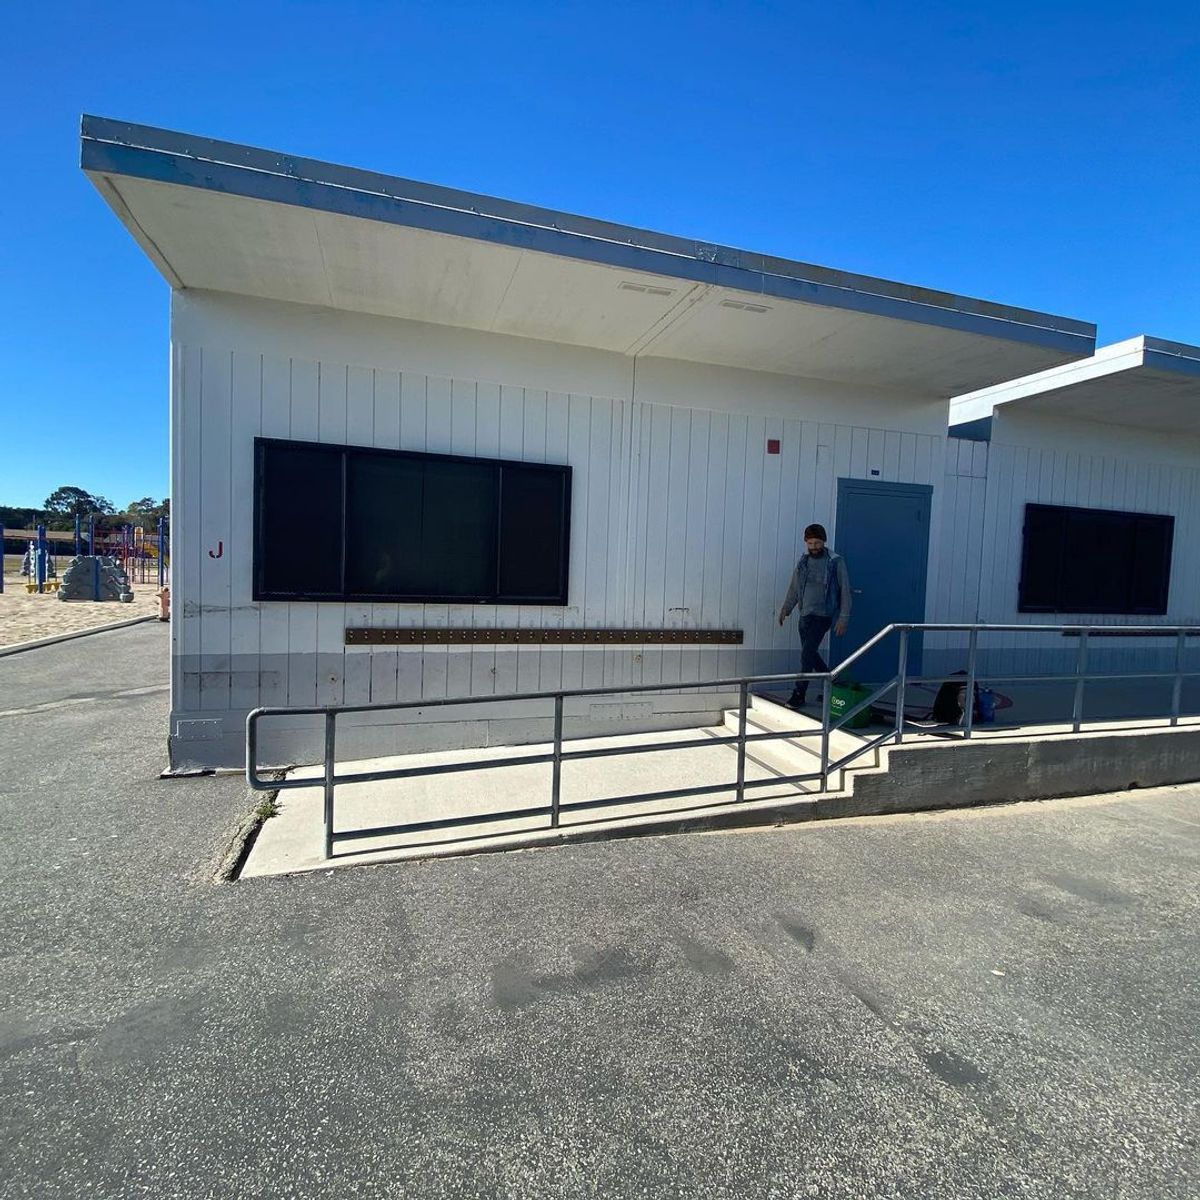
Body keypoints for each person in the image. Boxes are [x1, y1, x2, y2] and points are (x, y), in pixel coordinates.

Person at [777, 523, 851, 709]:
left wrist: (843, 618)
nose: (814, 547)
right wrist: (786, 608)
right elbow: (795, 587)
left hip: (823, 615)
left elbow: (845, 591)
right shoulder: (803, 562)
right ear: (806, 543)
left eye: (817, 543)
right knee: (809, 654)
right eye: (810, 543)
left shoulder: (835, 562)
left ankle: (799, 694)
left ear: (824, 542)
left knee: (807, 654)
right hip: (805, 615)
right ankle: (831, 681)